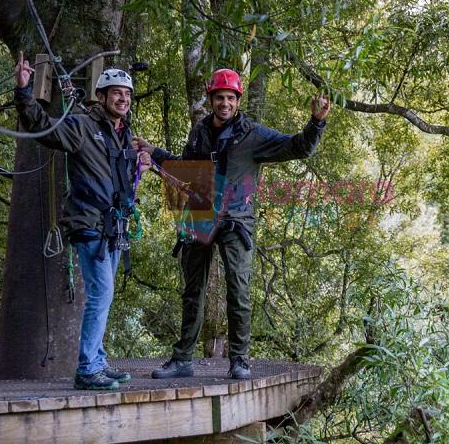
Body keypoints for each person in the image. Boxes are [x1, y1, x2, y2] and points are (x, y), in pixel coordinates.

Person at [136, 68, 330, 380]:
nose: (224, 103)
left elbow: (299, 147)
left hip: (235, 219)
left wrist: (316, 122)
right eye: (219, 97)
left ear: (237, 101)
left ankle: (239, 360)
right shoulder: (199, 132)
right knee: (192, 291)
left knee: (238, 290)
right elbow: (187, 171)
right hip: (199, 216)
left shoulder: (253, 135)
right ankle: (182, 358)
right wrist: (154, 152)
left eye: (230, 98)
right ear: (211, 98)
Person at [13, 52, 152, 390]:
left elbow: (118, 183)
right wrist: (24, 92)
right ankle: (87, 369)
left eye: (128, 94)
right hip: (89, 223)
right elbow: (43, 127)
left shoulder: (123, 136)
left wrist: (139, 168)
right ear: (101, 97)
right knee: (102, 293)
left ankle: (98, 361)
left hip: (114, 228)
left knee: (105, 293)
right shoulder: (82, 127)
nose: (123, 98)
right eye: (116, 92)